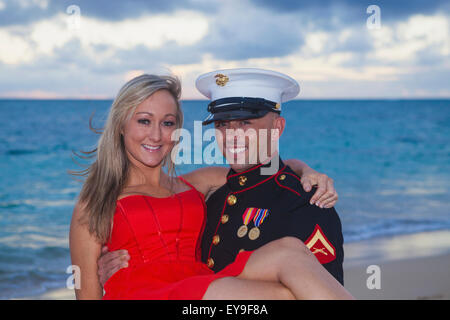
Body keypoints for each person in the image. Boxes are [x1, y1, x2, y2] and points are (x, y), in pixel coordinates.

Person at [70, 73, 353, 299]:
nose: (156, 135)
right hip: (148, 294)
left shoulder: (195, 184)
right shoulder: (95, 202)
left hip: (201, 287)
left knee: (290, 255)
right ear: (121, 125)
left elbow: (267, 170)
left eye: (167, 123)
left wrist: (307, 170)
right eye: (144, 121)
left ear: (177, 130)